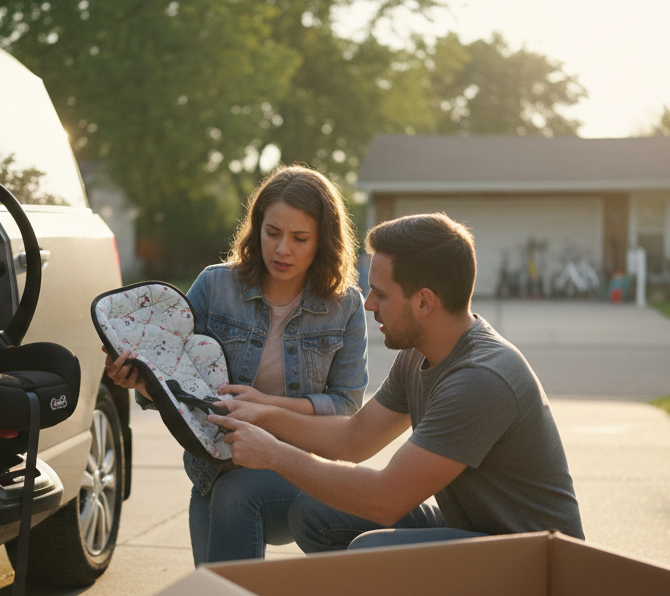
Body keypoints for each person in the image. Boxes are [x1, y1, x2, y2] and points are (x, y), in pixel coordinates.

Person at [209, 212, 582, 552]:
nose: (368, 304)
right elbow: (355, 438)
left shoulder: (482, 378)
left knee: (369, 552)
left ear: (423, 302)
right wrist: (262, 415)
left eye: (381, 294)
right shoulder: (419, 354)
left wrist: (273, 453)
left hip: (537, 556)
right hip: (475, 531)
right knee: (317, 511)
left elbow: (386, 500)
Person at [104, 166, 367, 565]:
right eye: (272, 232)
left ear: (323, 242)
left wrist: (266, 407)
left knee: (237, 493)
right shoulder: (215, 287)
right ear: (256, 228)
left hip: (299, 473)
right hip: (217, 472)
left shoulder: (344, 305)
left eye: (300, 238)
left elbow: (346, 405)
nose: (282, 250)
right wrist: (140, 382)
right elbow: (181, 380)